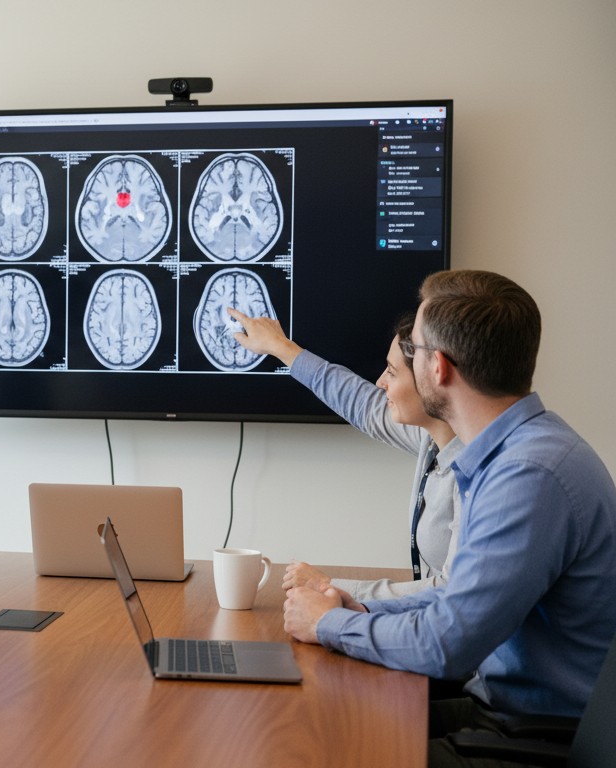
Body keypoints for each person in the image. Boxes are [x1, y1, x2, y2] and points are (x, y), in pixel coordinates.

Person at [280, 270, 616, 767]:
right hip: (501, 707)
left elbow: (447, 643)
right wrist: (361, 611)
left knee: (325, 751)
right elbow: (461, 597)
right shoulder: (514, 451)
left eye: (411, 351)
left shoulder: (528, 475)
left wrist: (330, 624)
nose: (401, 365)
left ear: (438, 368)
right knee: (317, 718)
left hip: (534, 736)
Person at [227, 309, 461, 601]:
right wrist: (281, 347)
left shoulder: (475, 469)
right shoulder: (434, 438)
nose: (380, 383)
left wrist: (330, 586)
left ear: (433, 376)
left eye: (391, 371)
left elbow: (453, 593)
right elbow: (360, 402)